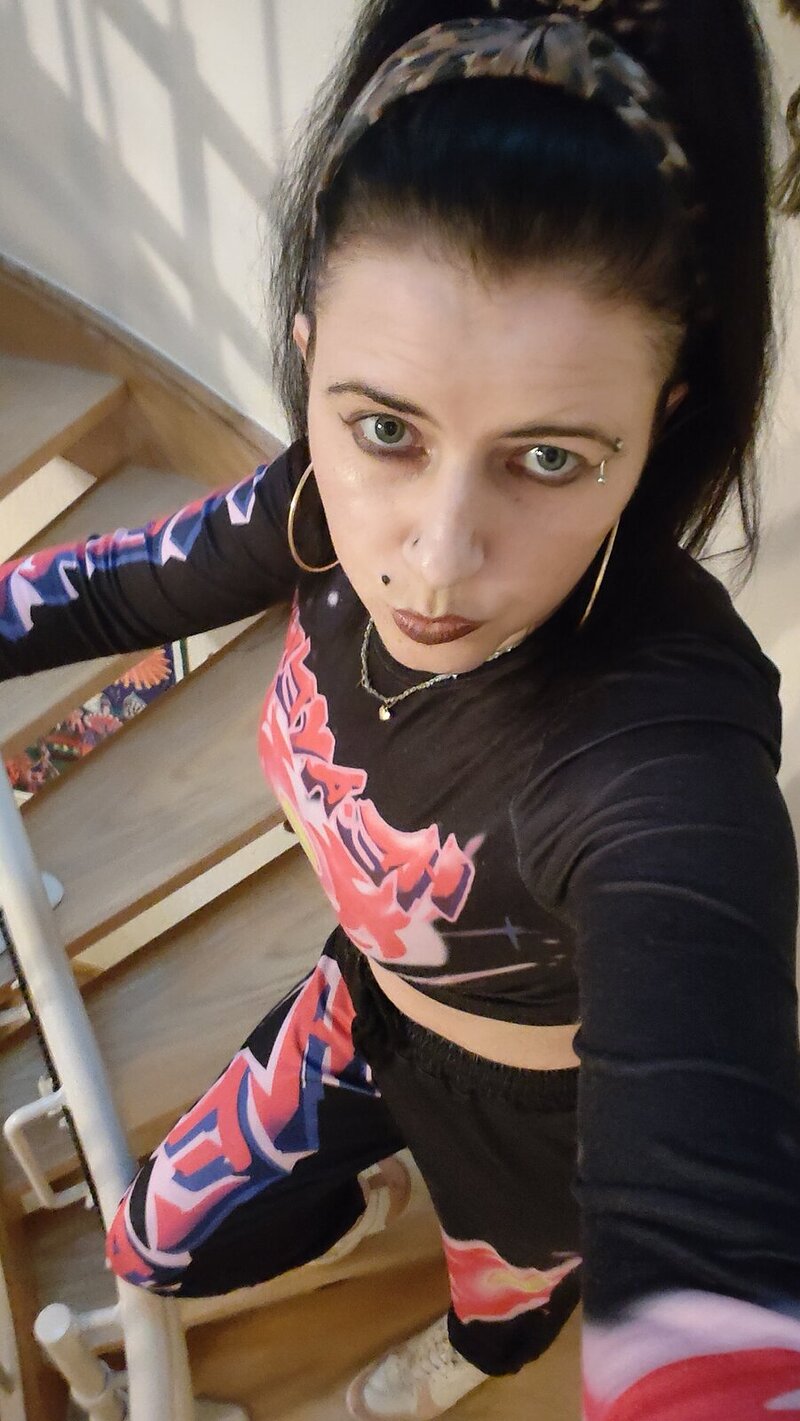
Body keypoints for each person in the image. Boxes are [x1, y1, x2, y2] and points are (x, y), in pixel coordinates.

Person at [3, 1, 800, 1416]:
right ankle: (362, 1197)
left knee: (502, 1305)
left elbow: (710, 1229)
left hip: (537, 1124)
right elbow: (114, 586)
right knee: (151, 1244)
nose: (433, 561)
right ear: (310, 358)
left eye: (547, 459)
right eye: (386, 428)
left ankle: (482, 1346)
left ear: (659, 426)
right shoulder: (314, 508)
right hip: (359, 998)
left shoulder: (663, 759)